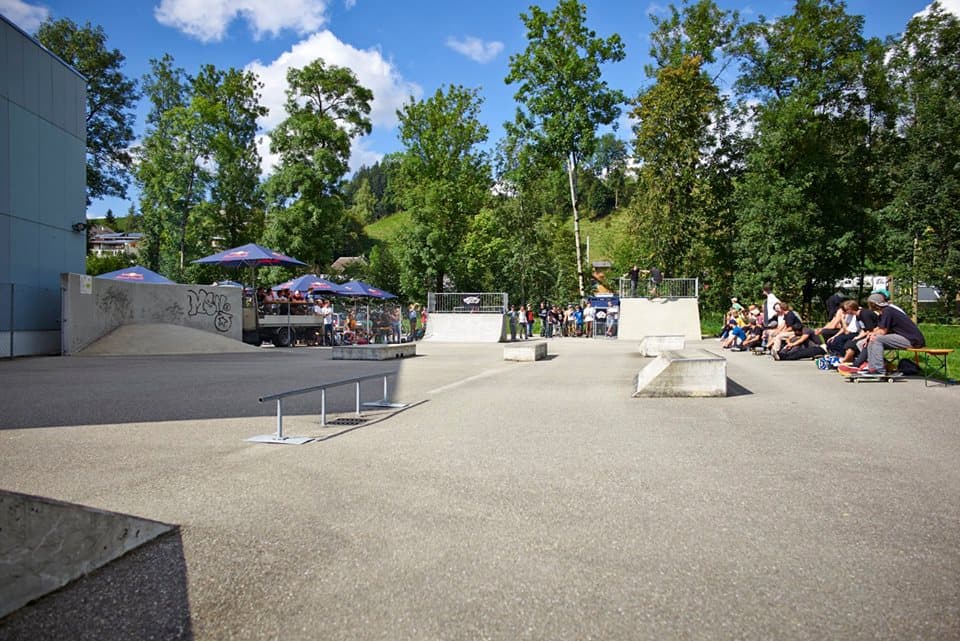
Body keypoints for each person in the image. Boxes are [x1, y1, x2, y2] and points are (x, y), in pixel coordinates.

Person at [840, 293, 926, 375]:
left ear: (873, 304)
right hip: (903, 337)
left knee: (877, 339)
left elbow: (882, 331)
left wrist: (872, 335)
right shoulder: (883, 312)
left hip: (912, 340)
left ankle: (878, 370)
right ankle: (872, 368)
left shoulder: (887, 311)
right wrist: (870, 334)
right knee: (866, 340)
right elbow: (879, 328)